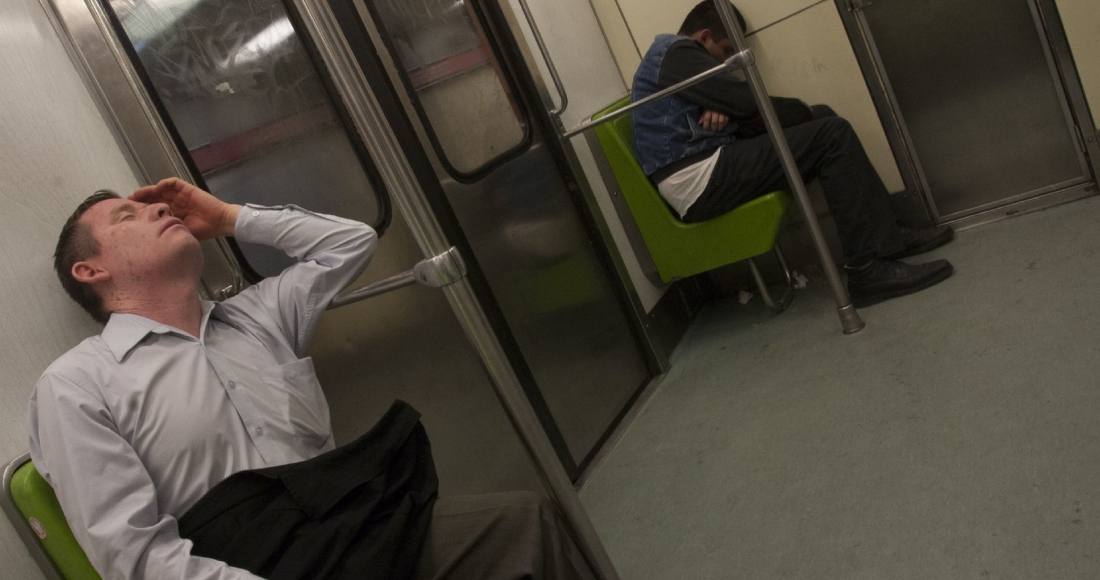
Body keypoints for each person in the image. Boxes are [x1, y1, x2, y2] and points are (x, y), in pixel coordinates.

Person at [30, 178, 593, 580]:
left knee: (526, 522)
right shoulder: (78, 385)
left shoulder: (257, 315)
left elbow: (350, 242)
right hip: (249, 561)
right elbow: (134, 558)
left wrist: (229, 218)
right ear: (91, 271)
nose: (155, 210)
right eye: (127, 216)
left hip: (351, 527)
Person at [632, 1, 955, 307]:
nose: (723, 66)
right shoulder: (676, 51)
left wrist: (722, 103)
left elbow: (735, 105)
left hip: (711, 164)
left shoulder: (674, 62)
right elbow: (746, 102)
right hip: (697, 179)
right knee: (831, 134)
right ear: (704, 37)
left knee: (825, 116)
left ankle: (887, 239)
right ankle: (866, 271)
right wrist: (741, 103)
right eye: (725, 52)